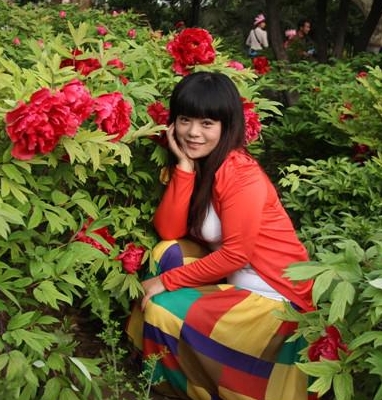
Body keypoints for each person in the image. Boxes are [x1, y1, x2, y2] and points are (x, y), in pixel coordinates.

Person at [126, 71, 315, 400]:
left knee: (161, 307)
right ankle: (159, 365)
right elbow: (169, 230)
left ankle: (183, 387)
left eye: (207, 123)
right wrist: (184, 168)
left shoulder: (241, 173)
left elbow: (236, 255)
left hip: (274, 295)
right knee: (167, 252)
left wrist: (166, 282)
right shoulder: (201, 165)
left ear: (227, 126)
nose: (193, 133)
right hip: (236, 278)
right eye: (185, 120)